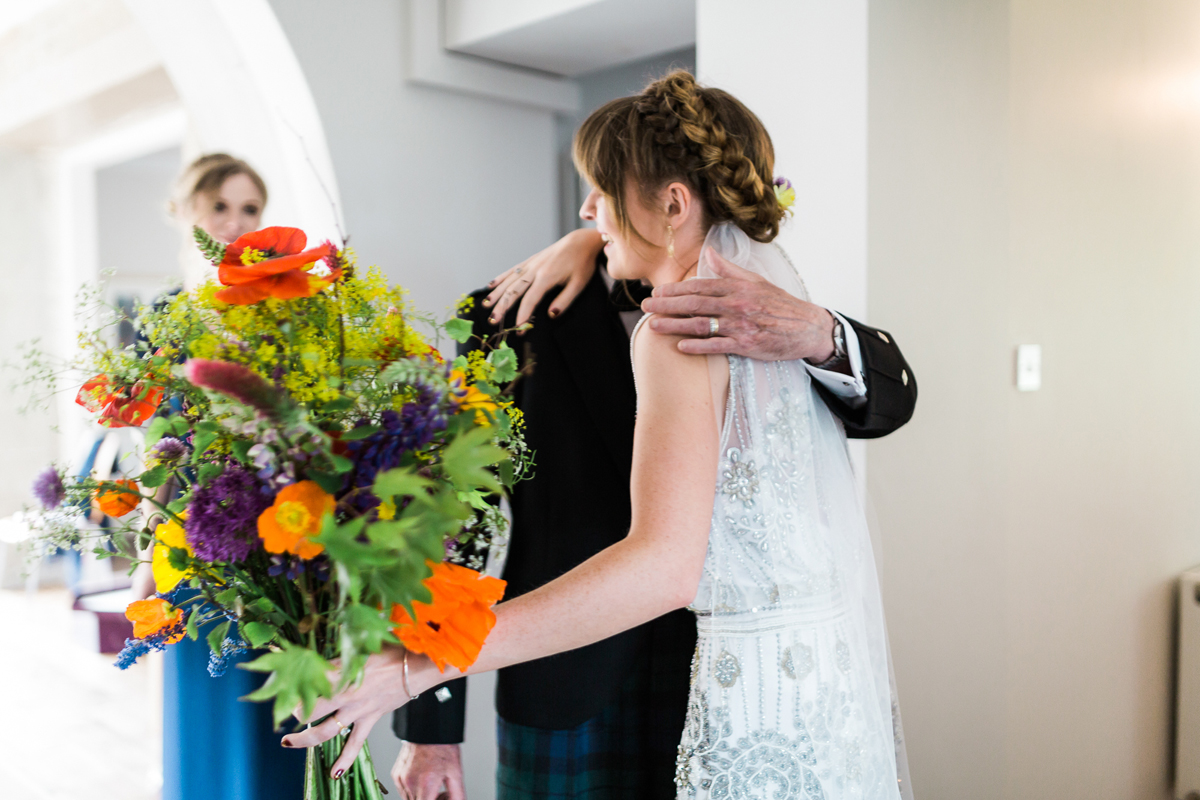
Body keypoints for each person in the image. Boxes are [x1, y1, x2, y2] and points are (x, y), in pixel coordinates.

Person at [287, 71, 915, 800]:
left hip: (714, 678)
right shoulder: (508, 315)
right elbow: (456, 515)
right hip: (577, 688)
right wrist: (431, 722)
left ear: (671, 202)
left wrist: (415, 667)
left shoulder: (773, 317)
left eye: (599, 189)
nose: (586, 210)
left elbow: (888, 399)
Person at [133, 153, 307, 800]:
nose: (235, 224)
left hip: (280, 536)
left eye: (251, 209)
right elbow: (160, 444)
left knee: (277, 721)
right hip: (194, 542)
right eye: (220, 207)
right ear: (185, 213)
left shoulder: (288, 310)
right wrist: (150, 550)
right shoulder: (164, 316)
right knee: (204, 724)